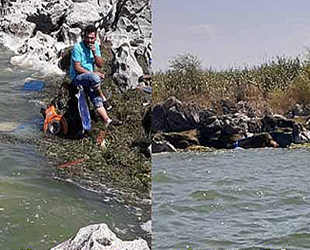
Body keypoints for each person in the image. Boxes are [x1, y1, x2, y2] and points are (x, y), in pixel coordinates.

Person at [69, 24, 122, 127]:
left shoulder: (95, 46)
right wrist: (93, 73)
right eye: (88, 38)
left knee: (94, 95)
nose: (89, 40)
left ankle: (107, 120)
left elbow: (100, 64)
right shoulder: (77, 48)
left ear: (95, 37)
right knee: (95, 78)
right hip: (77, 77)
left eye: (92, 38)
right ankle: (103, 97)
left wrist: (95, 53)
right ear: (84, 36)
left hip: (88, 78)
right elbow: (77, 68)